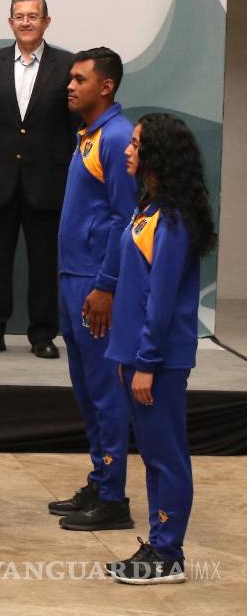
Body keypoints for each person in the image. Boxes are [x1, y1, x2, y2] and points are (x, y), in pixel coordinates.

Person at [104, 113, 216, 585]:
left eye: (135, 144)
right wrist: (123, 357)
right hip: (136, 357)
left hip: (160, 361)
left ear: (157, 154)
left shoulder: (171, 222)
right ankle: (158, 543)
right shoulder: (147, 209)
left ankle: (169, 555)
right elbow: (133, 292)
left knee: (167, 455)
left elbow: (161, 301)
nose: (127, 151)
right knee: (152, 454)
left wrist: (145, 363)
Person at [51, 48, 137, 532]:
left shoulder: (118, 138)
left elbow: (127, 220)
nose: (70, 85)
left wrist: (107, 285)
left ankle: (114, 500)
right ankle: (100, 477)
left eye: (80, 79)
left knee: (105, 393)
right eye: (70, 77)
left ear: (106, 86)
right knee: (87, 391)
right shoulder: (91, 136)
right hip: (74, 276)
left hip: (95, 282)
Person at [0, 0, 75, 359]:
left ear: (47, 21)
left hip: (48, 183)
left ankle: (43, 334)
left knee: (44, 263)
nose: (26, 22)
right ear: (10, 22)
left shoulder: (68, 65)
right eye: (19, 16)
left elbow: (74, 127)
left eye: (33, 16)